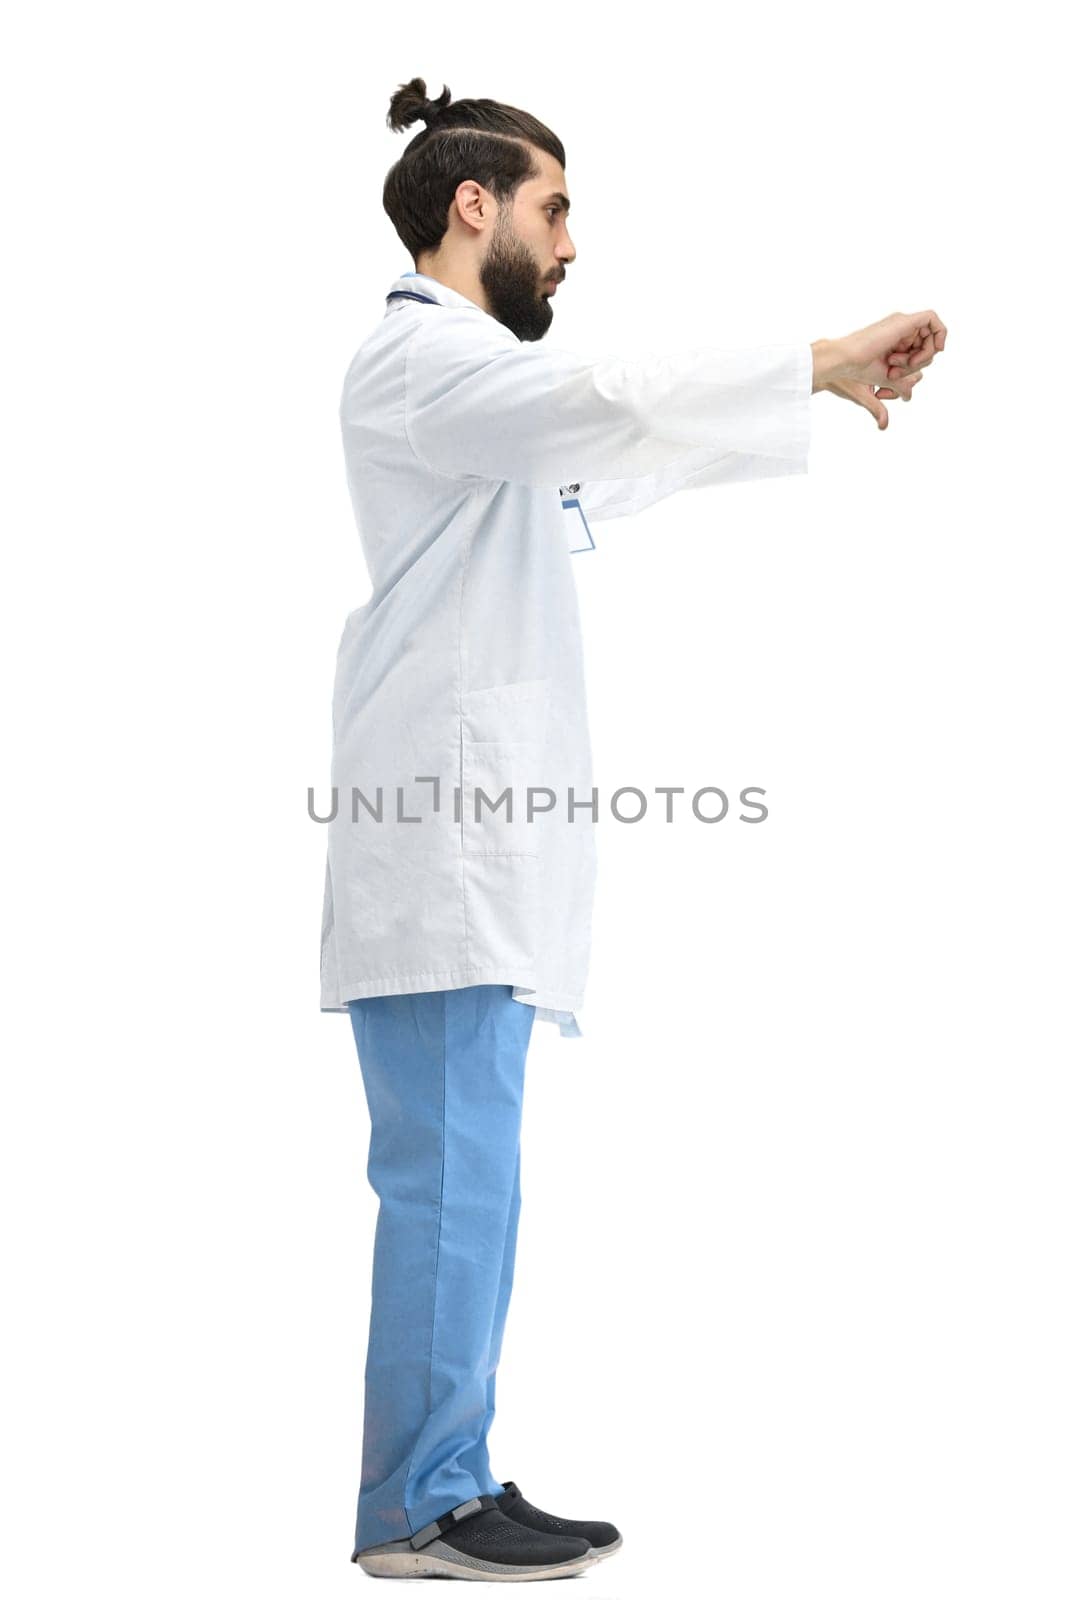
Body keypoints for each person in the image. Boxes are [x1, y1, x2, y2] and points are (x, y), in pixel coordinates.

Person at [319, 75, 947, 1581]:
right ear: (473, 207)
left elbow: (608, 460)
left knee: (473, 1174)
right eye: (556, 208)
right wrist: (808, 348)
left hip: (476, 853)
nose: (571, 243)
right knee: (454, 1176)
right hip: (445, 854)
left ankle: (445, 1477)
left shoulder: (473, 401)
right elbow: (597, 397)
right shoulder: (421, 366)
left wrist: (804, 394)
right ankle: (418, 1505)